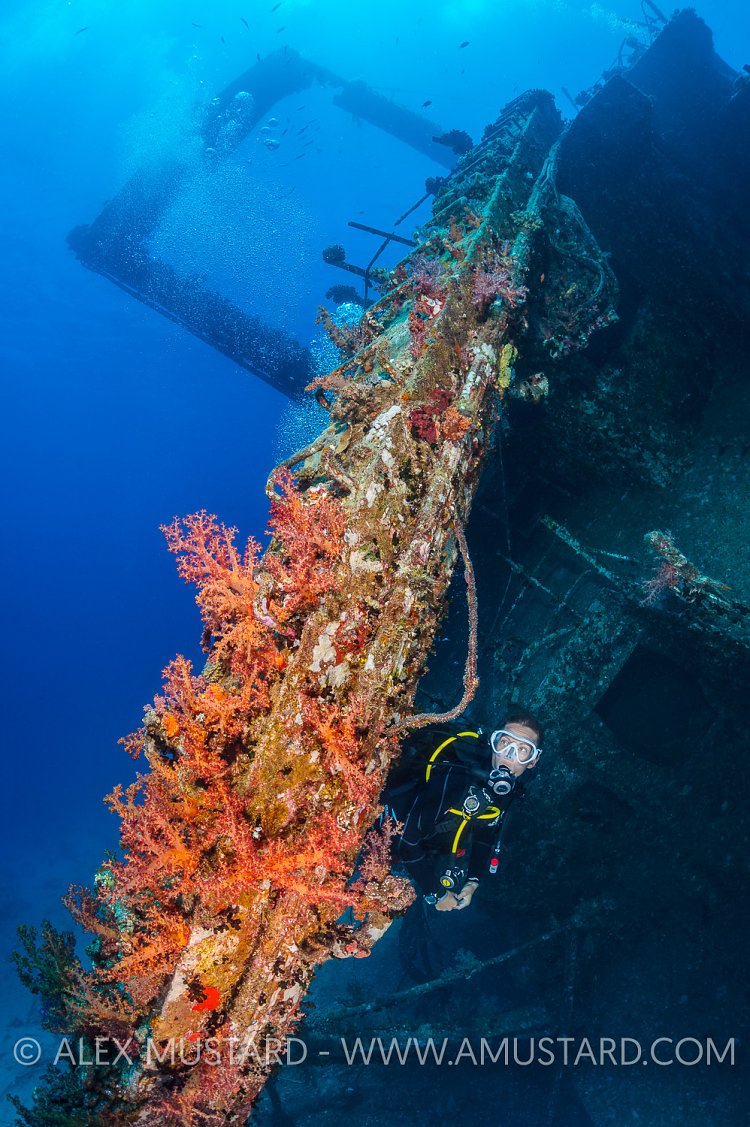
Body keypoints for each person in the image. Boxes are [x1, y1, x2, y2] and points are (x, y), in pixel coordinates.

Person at [387, 709, 544, 912]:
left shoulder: (508, 789)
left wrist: (473, 881)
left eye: (523, 750)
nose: (509, 755)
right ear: (493, 743)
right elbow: (407, 840)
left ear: (533, 761)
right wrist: (436, 893)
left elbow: (486, 832)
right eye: (504, 742)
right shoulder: (459, 776)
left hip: (424, 849)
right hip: (390, 835)